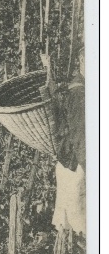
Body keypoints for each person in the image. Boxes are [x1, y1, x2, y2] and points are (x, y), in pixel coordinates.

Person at [52, 52, 85, 235]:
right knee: (78, 225)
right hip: (76, 165)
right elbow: (80, 138)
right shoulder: (79, 93)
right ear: (81, 61)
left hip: (69, 162)